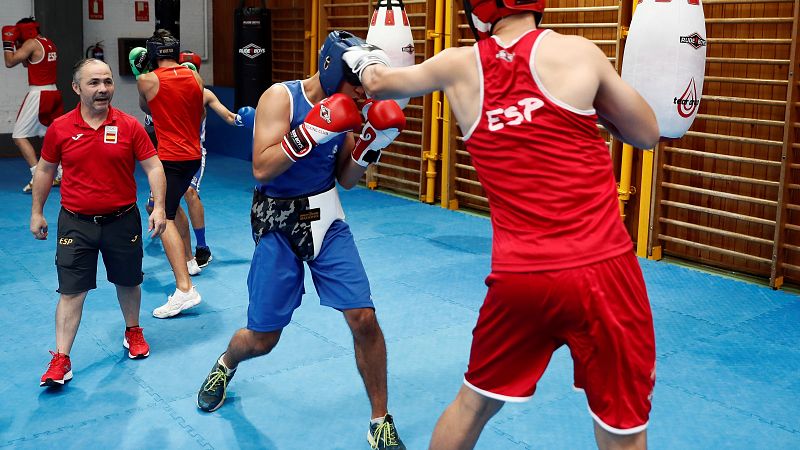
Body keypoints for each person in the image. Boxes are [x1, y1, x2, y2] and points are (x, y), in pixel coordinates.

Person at [343, 1, 660, 449]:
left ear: (478, 12)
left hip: (522, 278)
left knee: (473, 405)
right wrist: (591, 110)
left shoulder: (457, 65)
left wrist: (356, 55)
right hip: (604, 271)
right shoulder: (580, 53)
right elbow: (646, 134)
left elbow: (377, 82)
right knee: (622, 429)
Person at [195, 30, 406, 450]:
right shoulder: (282, 98)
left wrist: (370, 145)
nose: (363, 95)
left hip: (326, 215)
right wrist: (311, 131)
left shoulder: (351, 106)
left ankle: (380, 419)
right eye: (357, 86)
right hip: (277, 219)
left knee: (363, 317)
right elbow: (260, 168)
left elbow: (345, 179)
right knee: (262, 339)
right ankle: (225, 363)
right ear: (331, 70)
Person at [30, 58, 167, 387]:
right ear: (77, 88)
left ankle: (133, 331)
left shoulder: (129, 125)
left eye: (107, 81)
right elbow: (46, 170)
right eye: (94, 83)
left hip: (122, 220)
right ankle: (61, 359)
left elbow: (154, 166)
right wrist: (37, 211)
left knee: (128, 281)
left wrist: (159, 205)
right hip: (76, 223)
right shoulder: (61, 128)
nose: (103, 88)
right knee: (71, 291)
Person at [145, 51, 256, 270]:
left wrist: (248, 119)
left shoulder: (203, 93)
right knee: (153, 205)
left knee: (189, 193)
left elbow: (228, 116)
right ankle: (171, 235)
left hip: (193, 153)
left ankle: (201, 248)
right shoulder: (162, 90)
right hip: (167, 155)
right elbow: (149, 122)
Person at [132, 29, 205, 318]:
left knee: (163, 218)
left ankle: (185, 289)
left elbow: (146, 110)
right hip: (192, 157)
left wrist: (141, 71)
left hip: (170, 158)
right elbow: (199, 114)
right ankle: (189, 262)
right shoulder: (195, 77)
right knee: (170, 209)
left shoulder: (147, 80)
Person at [2, 17, 63, 192]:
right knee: (49, 135)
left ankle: (37, 175)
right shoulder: (48, 43)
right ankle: (60, 173)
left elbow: (10, 62)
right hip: (54, 92)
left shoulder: (31, 43)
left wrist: (8, 43)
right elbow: (26, 63)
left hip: (39, 93)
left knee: (18, 136)